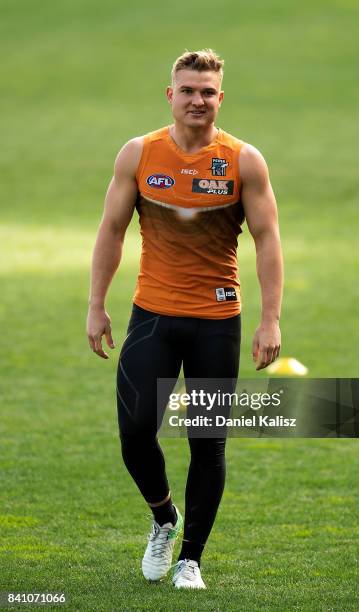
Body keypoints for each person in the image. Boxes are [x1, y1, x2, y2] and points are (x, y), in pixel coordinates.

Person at [86, 49, 283, 589]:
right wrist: (96, 304)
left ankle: (190, 558)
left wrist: (270, 320)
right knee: (133, 432)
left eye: (208, 91)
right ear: (171, 95)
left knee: (207, 441)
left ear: (221, 98)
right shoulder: (139, 154)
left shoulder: (244, 160)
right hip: (151, 314)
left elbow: (267, 239)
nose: (198, 100)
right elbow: (111, 230)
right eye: (189, 90)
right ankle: (163, 517)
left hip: (218, 321)